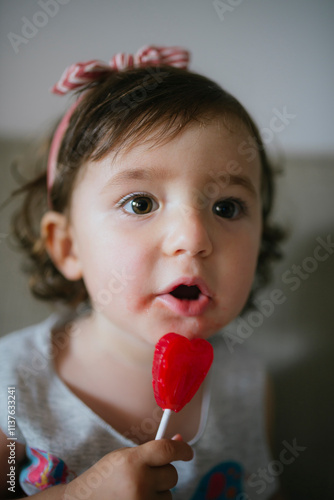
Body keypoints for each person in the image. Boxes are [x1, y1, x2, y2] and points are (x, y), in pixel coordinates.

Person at [0, 45, 286, 499]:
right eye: (140, 203)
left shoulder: (249, 386)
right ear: (67, 246)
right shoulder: (12, 386)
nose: (193, 239)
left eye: (226, 207)